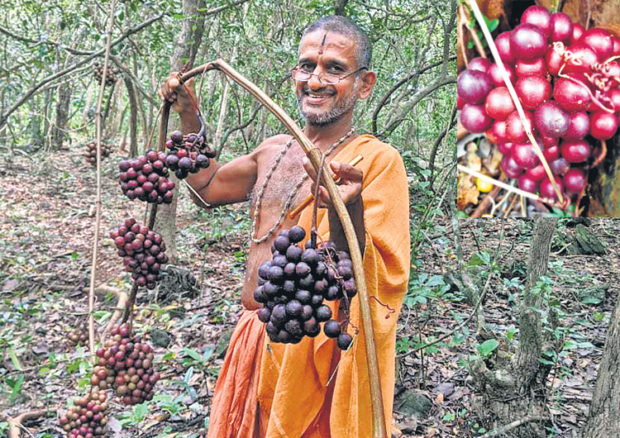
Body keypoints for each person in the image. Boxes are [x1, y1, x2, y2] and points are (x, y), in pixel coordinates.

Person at [160, 15, 410, 438]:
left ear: (364, 84)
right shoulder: (273, 150)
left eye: (334, 68)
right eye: (306, 65)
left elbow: (368, 272)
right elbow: (207, 189)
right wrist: (190, 115)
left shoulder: (377, 162)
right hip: (253, 338)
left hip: (317, 351)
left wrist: (345, 208)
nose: (316, 79)